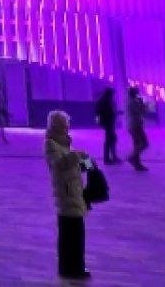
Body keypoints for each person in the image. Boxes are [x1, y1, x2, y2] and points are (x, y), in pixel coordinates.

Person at [45, 110, 92, 280]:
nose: (67, 128)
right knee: (69, 234)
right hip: (65, 194)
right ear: (57, 126)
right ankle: (69, 268)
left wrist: (87, 162)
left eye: (67, 125)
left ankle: (76, 266)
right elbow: (58, 164)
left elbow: (79, 167)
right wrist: (76, 155)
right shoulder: (50, 143)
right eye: (65, 125)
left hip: (75, 192)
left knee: (77, 233)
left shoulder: (65, 143)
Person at [126, 86, 150, 171]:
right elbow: (142, 111)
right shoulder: (132, 102)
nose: (138, 93)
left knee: (137, 145)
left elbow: (143, 112)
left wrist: (141, 104)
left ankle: (137, 164)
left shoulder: (132, 101)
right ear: (134, 93)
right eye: (137, 91)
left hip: (135, 125)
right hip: (135, 126)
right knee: (144, 143)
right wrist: (143, 104)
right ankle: (132, 157)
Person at [95, 87, 119, 165]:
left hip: (109, 123)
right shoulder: (104, 101)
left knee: (112, 139)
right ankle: (108, 159)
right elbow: (99, 113)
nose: (113, 96)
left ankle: (112, 157)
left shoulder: (107, 101)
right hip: (108, 123)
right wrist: (101, 122)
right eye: (112, 94)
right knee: (110, 140)